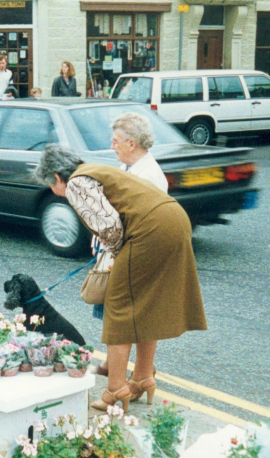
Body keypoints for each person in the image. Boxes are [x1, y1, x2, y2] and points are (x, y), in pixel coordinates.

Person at [34, 145, 206, 412]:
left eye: (50, 184)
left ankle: (115, 389)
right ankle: (142, 376)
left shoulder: (76, 184)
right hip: (174, 219)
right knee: (146, 304)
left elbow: (110, 227)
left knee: (120, 306)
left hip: (150, 229)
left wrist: (113, 253)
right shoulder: (94, 170)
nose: (54, 191)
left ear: (57, 177)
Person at [93, 112, 169, 376]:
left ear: (131, 144)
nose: (112, 146)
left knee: (125, 316)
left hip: (135, 253)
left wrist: (109, 234)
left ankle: (127, 378)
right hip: (123, 249)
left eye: (115, 141)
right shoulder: (131, 169)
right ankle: (138, 371)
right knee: (129, 314)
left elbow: (138, 223)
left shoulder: (147, 177)